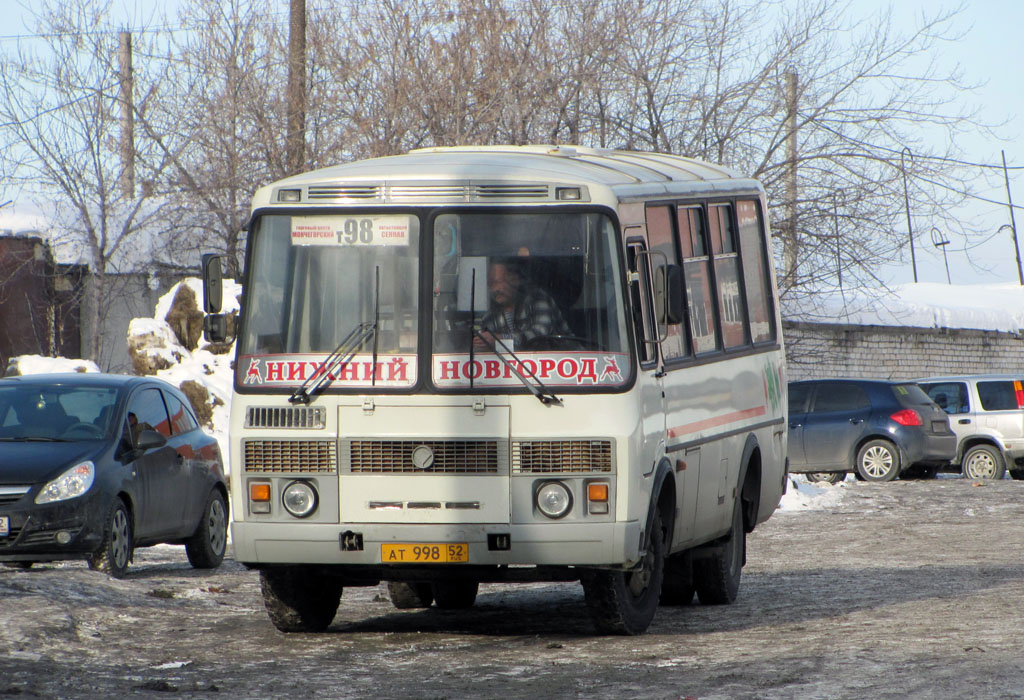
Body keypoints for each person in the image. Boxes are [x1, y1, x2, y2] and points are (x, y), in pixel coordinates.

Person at [475, 259, 569, 350]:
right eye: (491, 285)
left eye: (497, 282)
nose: (494, 290)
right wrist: (482, 343)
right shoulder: (490, 317)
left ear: (514, 280)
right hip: (513, 366)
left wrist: (500, 339)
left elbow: (540, 336)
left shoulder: (538, 299)